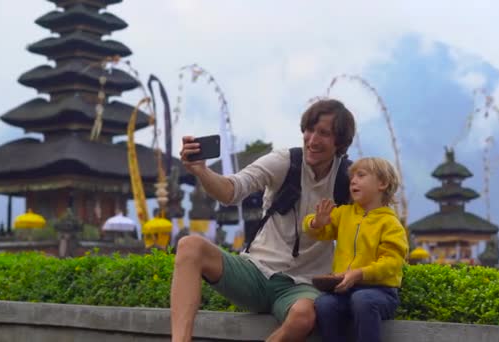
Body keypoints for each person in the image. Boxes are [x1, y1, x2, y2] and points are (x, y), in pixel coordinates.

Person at [171, 99, 356, 342]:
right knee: (189, 246)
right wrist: (201, 171)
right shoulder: (284, 161)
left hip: (302, 286)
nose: (312, 140)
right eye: (309, 130)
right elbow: (231, 191)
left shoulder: (348, 178)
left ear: (340, 142)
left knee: (304, 316)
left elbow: (372, 223)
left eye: (323, 133)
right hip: (256, 273)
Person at [304, 157, 408, 342]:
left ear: (382, 183)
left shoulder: (390, 224)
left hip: (381, 292)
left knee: (363, 299)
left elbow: (392, 263)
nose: (353, 180)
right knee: (325, 304)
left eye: (361, 175)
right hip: (345, 290)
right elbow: (317, 231)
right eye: (352, 176)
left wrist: (359, 274)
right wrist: (316, 222)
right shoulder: (344, 213)